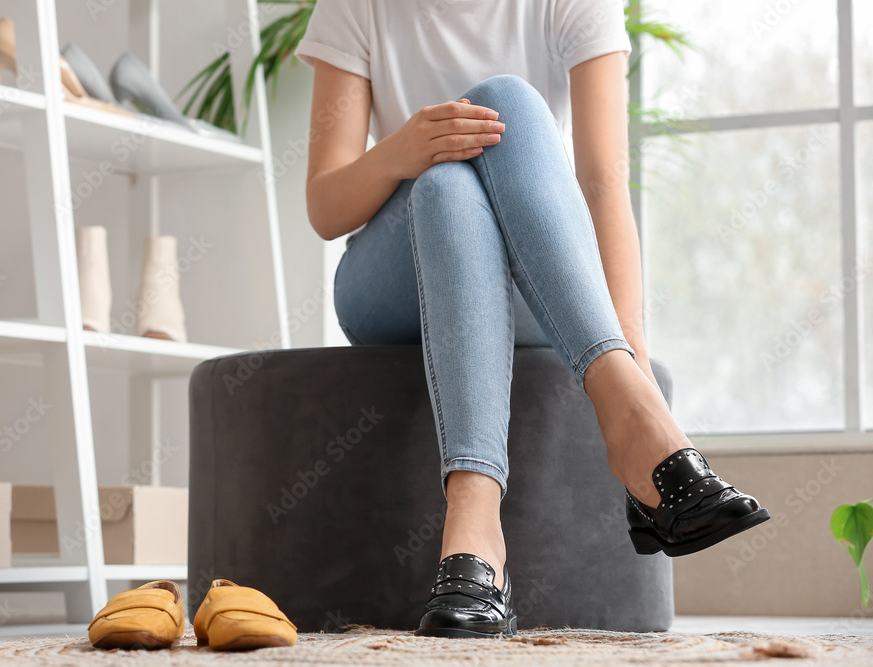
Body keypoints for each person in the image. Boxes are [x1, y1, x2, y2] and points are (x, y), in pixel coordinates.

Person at [296, 0, 770, 638]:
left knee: (466, 166)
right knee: (450, 169)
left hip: (530, 280)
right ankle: (632, 431)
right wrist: (401, 151)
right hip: (387, 285)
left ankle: (476, 532)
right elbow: (326, 207)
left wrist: (631, 350)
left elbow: (603, 186)